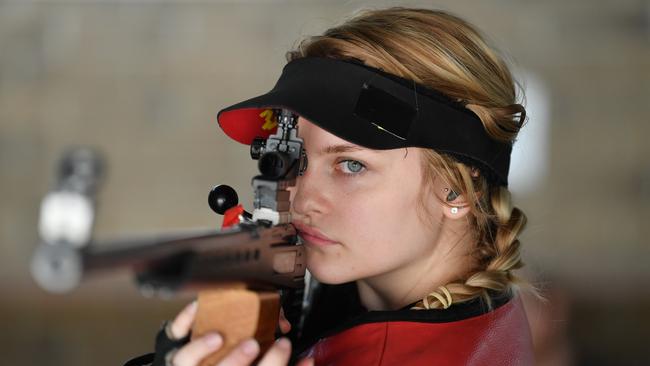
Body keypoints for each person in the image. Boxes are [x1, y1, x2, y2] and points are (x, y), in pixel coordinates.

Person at [127, 7, 538, 366]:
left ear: (457, 190)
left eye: (351, 165)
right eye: (294, 158)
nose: (301, 198)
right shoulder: (442, 305)